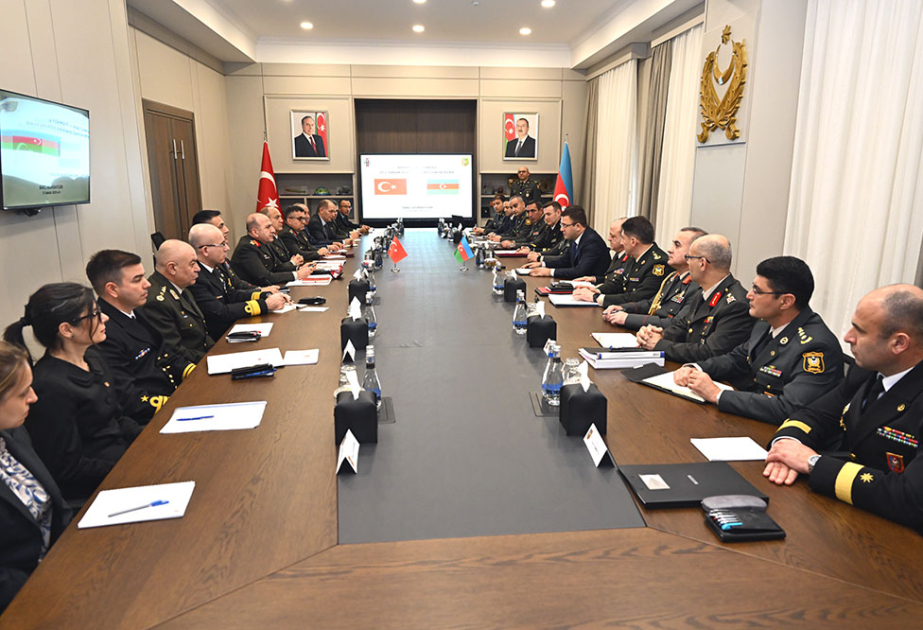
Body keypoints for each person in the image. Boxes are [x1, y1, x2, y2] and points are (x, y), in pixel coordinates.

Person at [764, 284, 923, 533]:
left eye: (860, 331)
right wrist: (786, 446)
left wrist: (813, 463)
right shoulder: (869, 368)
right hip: (852, 513)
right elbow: (816, 414)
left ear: (899, 343)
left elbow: (911, 498)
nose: (848, 337)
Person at [4, 284, 142, 503]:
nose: (105, 318)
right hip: (97, 490)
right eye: (95, 314)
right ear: (67, 330)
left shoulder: (92, 357)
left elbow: (116, 418)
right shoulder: (49, 387)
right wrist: (130, 467)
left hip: (125, 462)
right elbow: (68, 468)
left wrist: (149, 440)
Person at [673, 256, 843, 425]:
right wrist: (695, 368)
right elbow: (735, 359)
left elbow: (789, 408)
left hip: (782, 433)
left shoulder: (816, 347)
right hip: (752, 419)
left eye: (757, 291)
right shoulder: (764, 324)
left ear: (786, 301)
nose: (748, 295)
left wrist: (717, 394)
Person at [0, 341, 71, 613]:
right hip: (23, 600)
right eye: (22, 393)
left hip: (61, 566)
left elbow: (56, 505)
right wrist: (47, 589)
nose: (34, 398)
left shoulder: (13, 432)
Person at [86, 250, 194, 422]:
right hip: (151, 417)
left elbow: (165, 353)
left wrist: (195, 373)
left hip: (174, 395)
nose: (147, 284)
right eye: (137, 280)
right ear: (112, 289)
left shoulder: (134, 310)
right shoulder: (105, 332)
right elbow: (129, 398)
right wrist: (181, 403)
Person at [636, 234, 753, 362]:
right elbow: (683, 327)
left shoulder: (736, 305)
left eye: (689, 258)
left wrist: (659, 344)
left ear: (702, 263)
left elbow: (710, 352)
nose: (687, 263)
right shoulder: (702, 292)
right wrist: (657, 335)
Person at [188, 224, 289, 340]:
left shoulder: (216, 267)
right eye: (222, 244)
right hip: (219, 337)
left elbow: (232, 294)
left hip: (231, 327)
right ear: (206, 250)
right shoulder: (196, 277)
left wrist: (265, 295)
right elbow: (220, 312)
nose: (227, 248)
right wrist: (264, 305)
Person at [604, 227, 706, 330]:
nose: (670, 250)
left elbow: (676, 324)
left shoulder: (697, 286)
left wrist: (627, 318)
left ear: (694, 253)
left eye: (677, 245)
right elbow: (651, 304)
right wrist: (623, 308)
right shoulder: (673, 277)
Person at [139, 240, 214, 364]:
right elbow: (174, 350)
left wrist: (217, 352)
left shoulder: (181, 287)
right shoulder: (156, 302)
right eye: (192, 264)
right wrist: (212, 360)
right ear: (172, 268)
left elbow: (202, 336)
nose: (198, 269)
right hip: (191, 366)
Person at [574, 216, 668, 307]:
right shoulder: (633, 256)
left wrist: (596, 298)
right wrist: (596, 290)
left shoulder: (658, 263)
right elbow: (618, 283)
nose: (622, 243)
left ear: (633, 241)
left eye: (623, 238)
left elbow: (638, 297)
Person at [525, 206, 610, 280]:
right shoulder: (574, 237)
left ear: (577, 226)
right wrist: (542, 264)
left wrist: (550, 272)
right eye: (561, 225)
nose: (561, 229)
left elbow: (580, 271)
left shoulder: (592, 242)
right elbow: (565, 260)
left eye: (565, 225)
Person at [231, 213, 318, 287]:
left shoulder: (264, 242)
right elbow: (265, 277)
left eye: (271, 226)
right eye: (268, 227)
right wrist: (297, 274)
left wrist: (299, 268)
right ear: (255, 232)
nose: (273, 230)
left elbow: (277, 267)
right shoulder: (247, 247)